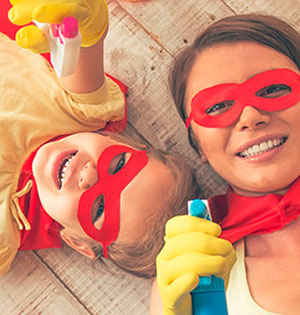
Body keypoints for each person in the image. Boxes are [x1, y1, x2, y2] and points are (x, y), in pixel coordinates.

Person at [0, 0, 200, 279]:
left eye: (100, 208)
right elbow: (82, 50)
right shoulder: (78, 112)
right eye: (118, 164)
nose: (90, 175)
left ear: (77, 242)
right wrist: (89, 30)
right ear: (125, 142)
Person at [151, 14, 300, 315]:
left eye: (273, 88)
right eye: (217, 106)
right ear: (198, 145)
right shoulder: (190, 283)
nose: (249, 117)